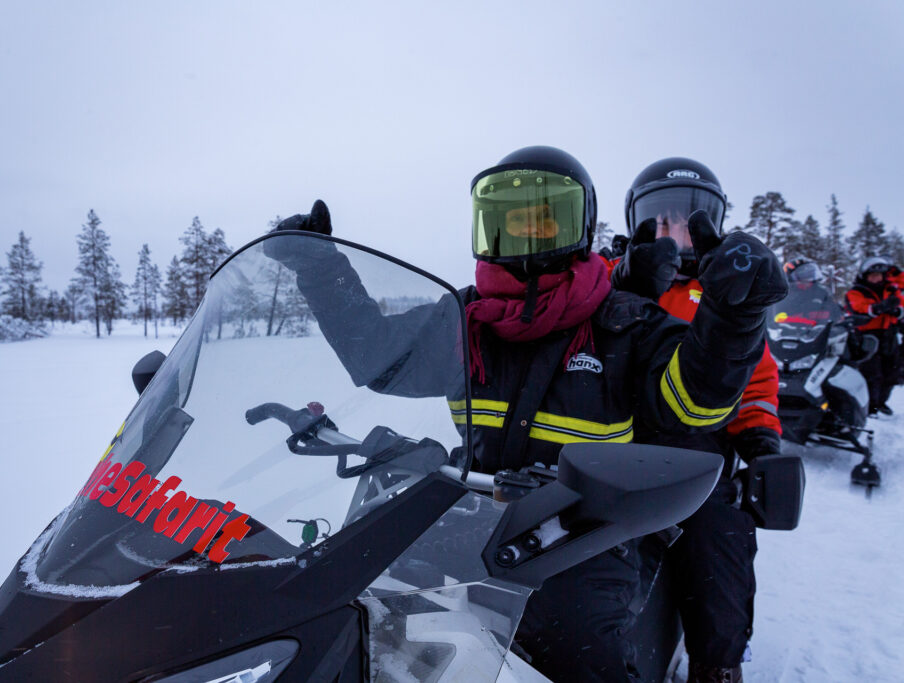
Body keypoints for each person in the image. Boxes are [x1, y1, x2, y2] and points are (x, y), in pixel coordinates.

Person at [265, 145, 786, 682]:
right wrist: (320, 269)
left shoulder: (625, 324)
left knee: (581, 649)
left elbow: (691, 406)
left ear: (577, 226)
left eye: (546, 220)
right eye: (513, 222)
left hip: (585, 533)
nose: (529, 236)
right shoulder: (464, 322)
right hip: (469, 512)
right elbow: (377, 356)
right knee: (366, 621)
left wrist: (734, 317)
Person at [612, 157, 785, 683]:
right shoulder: (607, 276)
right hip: (606, 444)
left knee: (720, 541)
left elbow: (756, 380)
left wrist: (760, 441)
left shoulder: (730, 293)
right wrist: (628, 283)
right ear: (636, 221)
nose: (674, 233)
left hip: (694, 460)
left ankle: (717, 663)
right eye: (660, 219)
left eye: (689, 220)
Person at [845, 256, 902, 415]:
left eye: (879, 275)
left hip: (889, 334)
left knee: (891, 371)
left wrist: (897, 311)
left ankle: (881, 402)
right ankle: (870, 405)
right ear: (865, 276)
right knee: (871, 372)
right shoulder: (857, 291)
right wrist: (879, 308)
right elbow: (859, 308)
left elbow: (901, 304)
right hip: (866, 335)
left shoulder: (891, 289)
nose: (876, 279)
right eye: (872, 275)